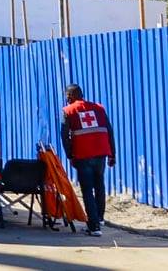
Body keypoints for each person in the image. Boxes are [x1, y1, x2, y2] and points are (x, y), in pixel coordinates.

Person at [62, 83, 116, 236]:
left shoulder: (68, 111)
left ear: (70, 96)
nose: (66, 99)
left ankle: (94, 227)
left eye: (67, 96)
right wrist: (112, 154)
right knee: (99, 185)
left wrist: (70, 155)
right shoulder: (99, 108)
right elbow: (109, 131)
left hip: (83, 154)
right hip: (101, 153)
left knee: (87, 190)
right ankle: (99, 218)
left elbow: (64, 136)